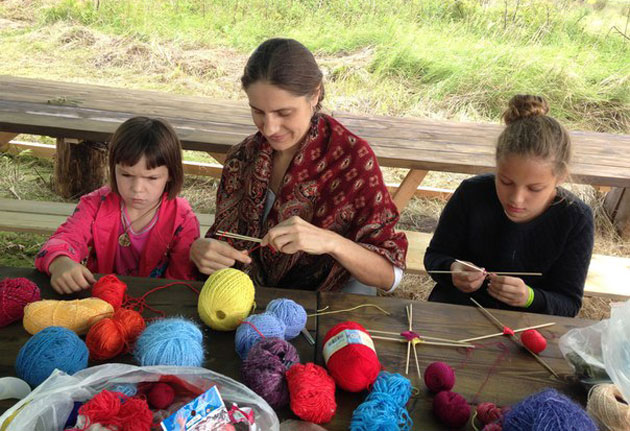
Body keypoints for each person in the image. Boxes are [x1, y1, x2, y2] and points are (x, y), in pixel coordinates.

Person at [190, 38, 407, 293]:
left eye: (284, 113)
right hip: (248, 298)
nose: (269, 128)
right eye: (257, 111)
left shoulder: (351, 160)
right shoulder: (243, 157)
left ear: (314, 94)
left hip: (328, 305)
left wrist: (330, 242)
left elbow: (390, 276)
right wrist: (200, 250)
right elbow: (226, 241)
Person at [424, 95, 594, 317]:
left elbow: (569, 303)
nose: (516, 198)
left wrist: (530, 297)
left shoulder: (575, 218)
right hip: (456, 310)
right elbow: (435, 256)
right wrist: (452, 269)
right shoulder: (472, 193)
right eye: (505, 182)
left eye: (534, 189)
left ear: (560, 177)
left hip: (527, 324)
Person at [36, 117, 200, 294]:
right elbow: (67, 237)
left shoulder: (182, 220)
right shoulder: (95, 204)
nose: (137, 189)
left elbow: (181, 285)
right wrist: (60, 261)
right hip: (99, 300)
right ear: (113, 168)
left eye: (152, 178)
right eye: (126, 175)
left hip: (156, 305)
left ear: (171, 175)